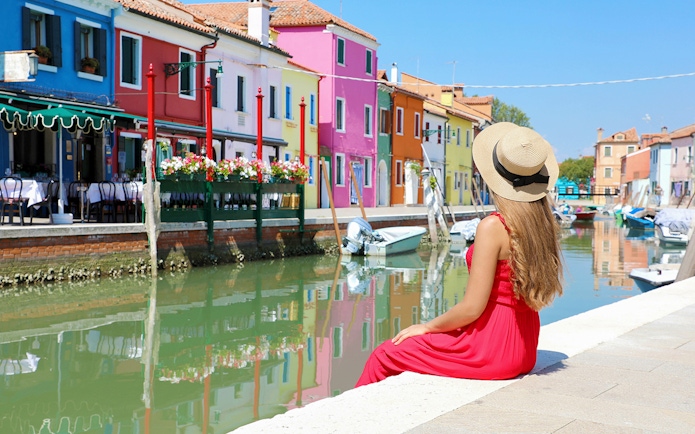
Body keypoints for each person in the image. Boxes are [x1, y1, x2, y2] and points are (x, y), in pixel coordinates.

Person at [355, 122, 564, 386]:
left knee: (384, 354)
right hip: (524, 347)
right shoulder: (541, 225)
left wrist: (427, 327)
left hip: (489, 348)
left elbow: (471, 309)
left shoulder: (494, 226)